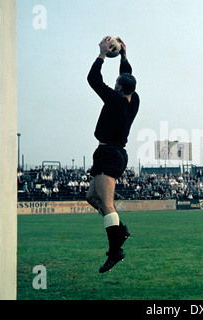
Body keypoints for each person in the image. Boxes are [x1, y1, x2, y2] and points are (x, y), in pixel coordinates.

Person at [86, 36, 140, 273]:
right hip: (110, 152)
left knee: (107, 203)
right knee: (91, 198)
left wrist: (102, 54)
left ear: (119, 87)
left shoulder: (115, 100)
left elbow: (93, 79)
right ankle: (120, 230)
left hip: (110, 153)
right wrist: (124, 56)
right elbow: (127, 76)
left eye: (117, 82)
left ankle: (115, 250)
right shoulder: (133, 99)